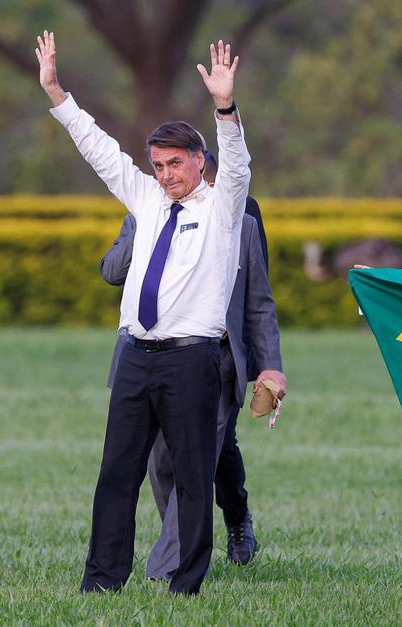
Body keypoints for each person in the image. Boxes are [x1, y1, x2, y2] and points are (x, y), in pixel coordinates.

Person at [37, 31, 249, 595]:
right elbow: (99, 148)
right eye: (158, 165)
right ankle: (103, 580)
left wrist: (225, 108)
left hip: (191, 359)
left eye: (176, 164)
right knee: (116, 475)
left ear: (198, 162)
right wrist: (56, 92)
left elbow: (237, 166)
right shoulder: (148, 199)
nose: (166, 174)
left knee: (191, 477)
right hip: (136, 355)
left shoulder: (223, 208)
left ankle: (186, 583)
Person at [100, 148, 285, 579]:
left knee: (202, 453)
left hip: (216, 359)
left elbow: (258, 299)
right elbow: (110, 271)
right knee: (167, 461)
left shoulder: (241, 217)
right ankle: (217, 522)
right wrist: (141, 229)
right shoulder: (147, 210)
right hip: (154, 357)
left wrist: (268, 365)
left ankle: (169, 564)